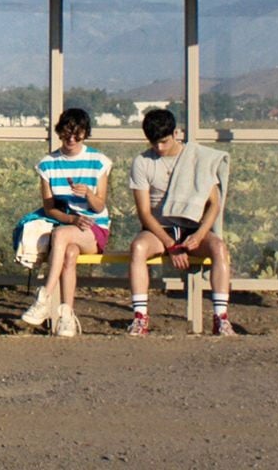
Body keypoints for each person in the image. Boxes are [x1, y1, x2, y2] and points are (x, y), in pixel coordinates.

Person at [126, 108, 234, 336]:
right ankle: (140, 317)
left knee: (219, 248)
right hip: (160, 228)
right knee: (138, 247)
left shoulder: (197, 159)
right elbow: (144, 212)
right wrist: (170, 245)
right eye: (154, 143)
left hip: (192, 225)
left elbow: (214, 203)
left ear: (176, 133)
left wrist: (200, 233)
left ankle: (221, 318)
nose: (160, 148)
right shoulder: (142, 162)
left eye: (164, 142)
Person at [19, 107, 111, 336]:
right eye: (67, 133)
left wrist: (88, 194)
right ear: (60, 132)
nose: (71, 139)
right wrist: (72, 218)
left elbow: (100, 206)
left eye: (77, 134)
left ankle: (44, 296)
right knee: (69, 252)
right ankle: (66, 315)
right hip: (69, 225)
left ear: (85, 134)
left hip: (94, 227)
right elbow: (50, 208)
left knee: (60, 235)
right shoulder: (47, 165)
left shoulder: (98, 161)